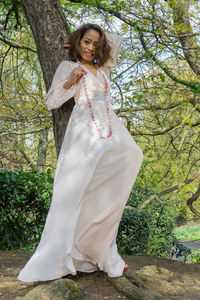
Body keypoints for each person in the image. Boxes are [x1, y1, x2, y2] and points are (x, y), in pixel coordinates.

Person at [18, 23, 143, 282]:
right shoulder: (68, 67)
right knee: (75, 190)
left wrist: (95, 40)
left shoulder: (102, 67)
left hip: (109, 127)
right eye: (86, 42)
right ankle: (64, 256)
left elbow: (115, 42)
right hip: (85, 130)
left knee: (133, 154)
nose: (91, 47)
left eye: (95, 44)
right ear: (77, 42)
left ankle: (101, 250)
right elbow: (51, 101)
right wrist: (70, 79)